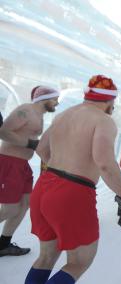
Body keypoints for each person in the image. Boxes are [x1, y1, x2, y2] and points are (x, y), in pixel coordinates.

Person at [25, 75, 121, 284]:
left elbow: (41, 148)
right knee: (79, 261)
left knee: (46, 256)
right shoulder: (103, 121)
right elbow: (104, 163)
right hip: (72, 193)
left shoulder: (64, 115)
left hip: (45, 186)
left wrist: (61, 169)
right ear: (110, 100)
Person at [0, 86, 59, 257]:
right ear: (44, 98)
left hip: (22, 165)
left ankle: (3, 244)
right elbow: (3, 132)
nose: (57, 102)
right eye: (54, 98)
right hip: (9, 162)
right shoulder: (25, 110)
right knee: (10, 209)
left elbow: (29, 137)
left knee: (25, 205)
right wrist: (30, 144)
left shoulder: (38, 115)